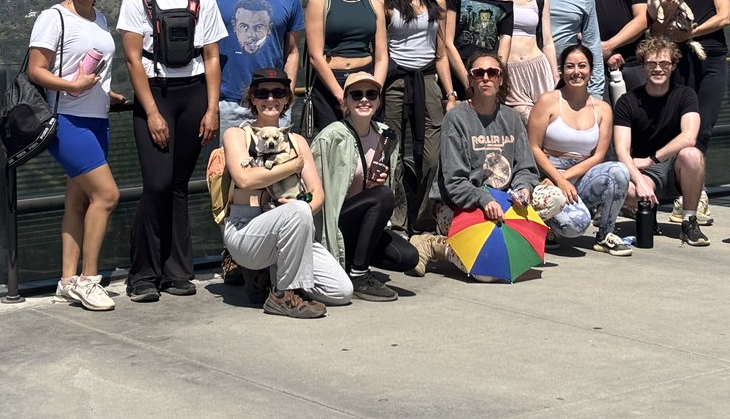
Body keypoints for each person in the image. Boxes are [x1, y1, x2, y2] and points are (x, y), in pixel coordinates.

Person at [117, 0, 227, 302]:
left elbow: (211, 56)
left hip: (193, 94)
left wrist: (211, 108)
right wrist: (151, 112)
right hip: (156, 93)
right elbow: (132, 59)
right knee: (158, 184)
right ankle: (143, 273)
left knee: (179, 185)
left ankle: (177, 270)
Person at [30, 0, 125, 312]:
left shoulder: (100, 17)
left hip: (96, 118)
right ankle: (89, 279)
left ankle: (67, 280)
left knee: (78, 199)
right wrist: (72, 86)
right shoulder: (53, 18)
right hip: (67, 120)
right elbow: (37, 70)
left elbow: (90, 70)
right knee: (108, 196)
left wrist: (105, 93)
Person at [222, 67, 352, 317]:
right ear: (252, 98)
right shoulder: (236, 135)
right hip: (246, 228)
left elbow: (317, 193)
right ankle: (284, 295)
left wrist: (298, 212)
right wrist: (291, 167)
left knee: (341, 291)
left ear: (286, 100)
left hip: (293, 228)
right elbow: (245, 179)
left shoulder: (298, 142)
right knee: (298, 210)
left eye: (278, 93)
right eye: (263, 93)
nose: (270, 99)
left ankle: (272, 276)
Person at [409, 53, 539, 278]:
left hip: (505, 199)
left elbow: (526, 168)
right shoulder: (456, 118)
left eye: (492, 73)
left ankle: (505, 241)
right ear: (470, 80)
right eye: (478, 73)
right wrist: (483, 199)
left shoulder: (512, 118)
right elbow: (454, 181)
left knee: (553, 198)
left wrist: (523, 188)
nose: (485, 78)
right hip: (462, 203)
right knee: (486, 273)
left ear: (501, 79)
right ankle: (433, 244)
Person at [311, 72, 420, 301]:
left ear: (379, 102)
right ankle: (359, 275)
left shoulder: (386, 135)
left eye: (371, 95)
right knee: (383, 195)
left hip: (367, 223)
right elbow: (313, 187)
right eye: (356, 95)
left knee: (408, 257)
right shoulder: (330, 137)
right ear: (345, 101)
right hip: (338, 222)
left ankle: (353, 261)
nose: (364, 100)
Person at [376, 0, 455, 233]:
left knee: (432, 156)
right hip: (395, 84)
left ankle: (422, 221)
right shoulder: (384, 5)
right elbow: (380, 51)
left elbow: (441, 54)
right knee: (391, 153)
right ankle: (397, 221)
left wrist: (449, 94)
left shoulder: (438, 2)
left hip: (428, 82)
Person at [527, 45, 632, 256]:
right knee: (576, 226)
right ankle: (543, 223)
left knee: (619, 171)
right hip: (548, 177)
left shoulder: (602, 108)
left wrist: (565, 178)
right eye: (570, 66)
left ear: (591, 70)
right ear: (562, 71)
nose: (576, 72)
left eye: (582, 66)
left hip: (579, 178)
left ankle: (605, 234)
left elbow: (599, 156)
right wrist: (557, 179)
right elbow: (533, 147)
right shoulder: (548, 101)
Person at [205, 0, 305, 135]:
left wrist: (286, 95)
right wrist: (211, 107)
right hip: (225, 105)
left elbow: (292, 51)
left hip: (272, 103)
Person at [613, 37, 711, 247]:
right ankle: (647, 211)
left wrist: (652, 159)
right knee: (627, 189)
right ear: (642, 66)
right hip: (646, 172)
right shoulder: (627, 102)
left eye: (664, 64)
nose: (658, 69)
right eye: (651, 64)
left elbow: (689, 137)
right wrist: (640, 182)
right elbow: (621, 150)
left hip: (675, 166)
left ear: (673, 66)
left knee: (692, 154)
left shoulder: (686, 95)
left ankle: (689, 221)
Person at [649, 0, 730, 154]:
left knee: (704, 126)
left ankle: (694, 174)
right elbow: (656, 31)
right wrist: (667, 13)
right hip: (677, 59)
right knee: (677, 124)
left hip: (712, 58)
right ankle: (674, 173)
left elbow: (724, 17)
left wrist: (690, 34)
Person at [305, 0, 388, 131]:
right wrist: (341, 96)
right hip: (330, 85)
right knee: (334, 144)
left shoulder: (374, 5)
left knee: (369, 144)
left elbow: (382, 57)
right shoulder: (320, 0)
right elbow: (315, 56)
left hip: (365, 83)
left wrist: (374, 92)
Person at [504, 0, 559, 121]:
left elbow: (548, 40)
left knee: (548, 125)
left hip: (538, 69)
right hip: (510, 72)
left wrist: (555, 76)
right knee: (522, 121)